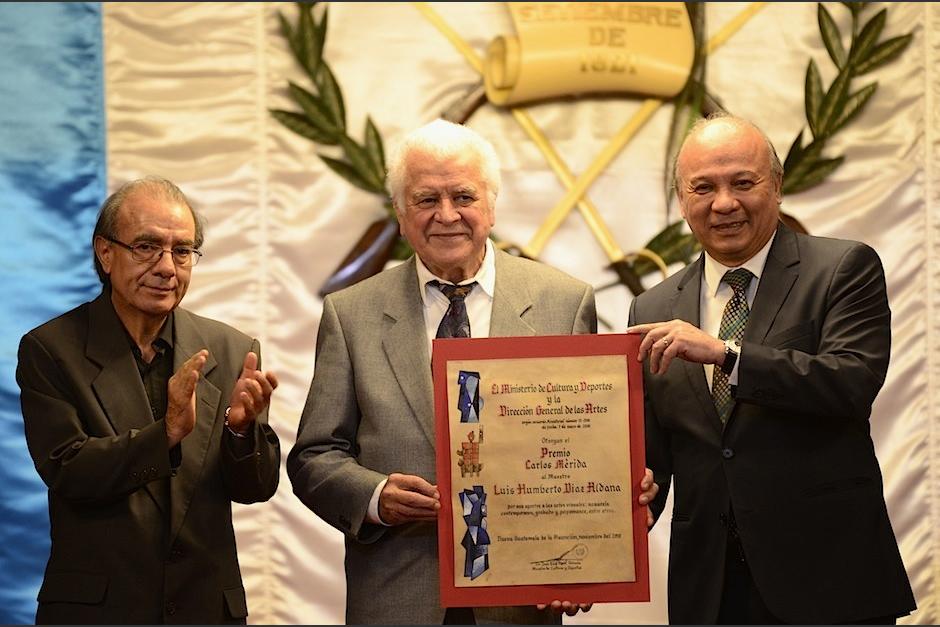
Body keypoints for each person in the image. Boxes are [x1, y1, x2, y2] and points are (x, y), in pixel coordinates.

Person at [288, 119, 657, 624]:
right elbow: (315, 457)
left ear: (491, 205)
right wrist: (374, 496)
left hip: (521, 602)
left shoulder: (564, 303)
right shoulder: (350, 314)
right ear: (400, 213)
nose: (446, 215)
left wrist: (595, 535)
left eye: (463, 196)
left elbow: (587, 447)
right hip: (398, 598)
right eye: (425, 199)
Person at [627, 113, 916, 624]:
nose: (724, 203)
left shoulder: (842, 269)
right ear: (681, 201)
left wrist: (728, 354)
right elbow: (654, 457)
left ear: (776, 187)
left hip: (829, 580)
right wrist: (605, 520)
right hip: (710, 590)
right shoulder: (652, 308)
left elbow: (850, 383)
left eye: (743, 183)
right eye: (703, 187)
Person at [16, 177, 281, 624]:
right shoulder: (51, 349)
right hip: (99, 611)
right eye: (146, 247)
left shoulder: (232, 350)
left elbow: (255, 489)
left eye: (182, 251)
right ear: (105, 253)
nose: (166, 268)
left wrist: (239, 432)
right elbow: (68, 470)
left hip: (204, 609)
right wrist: (167, 435)